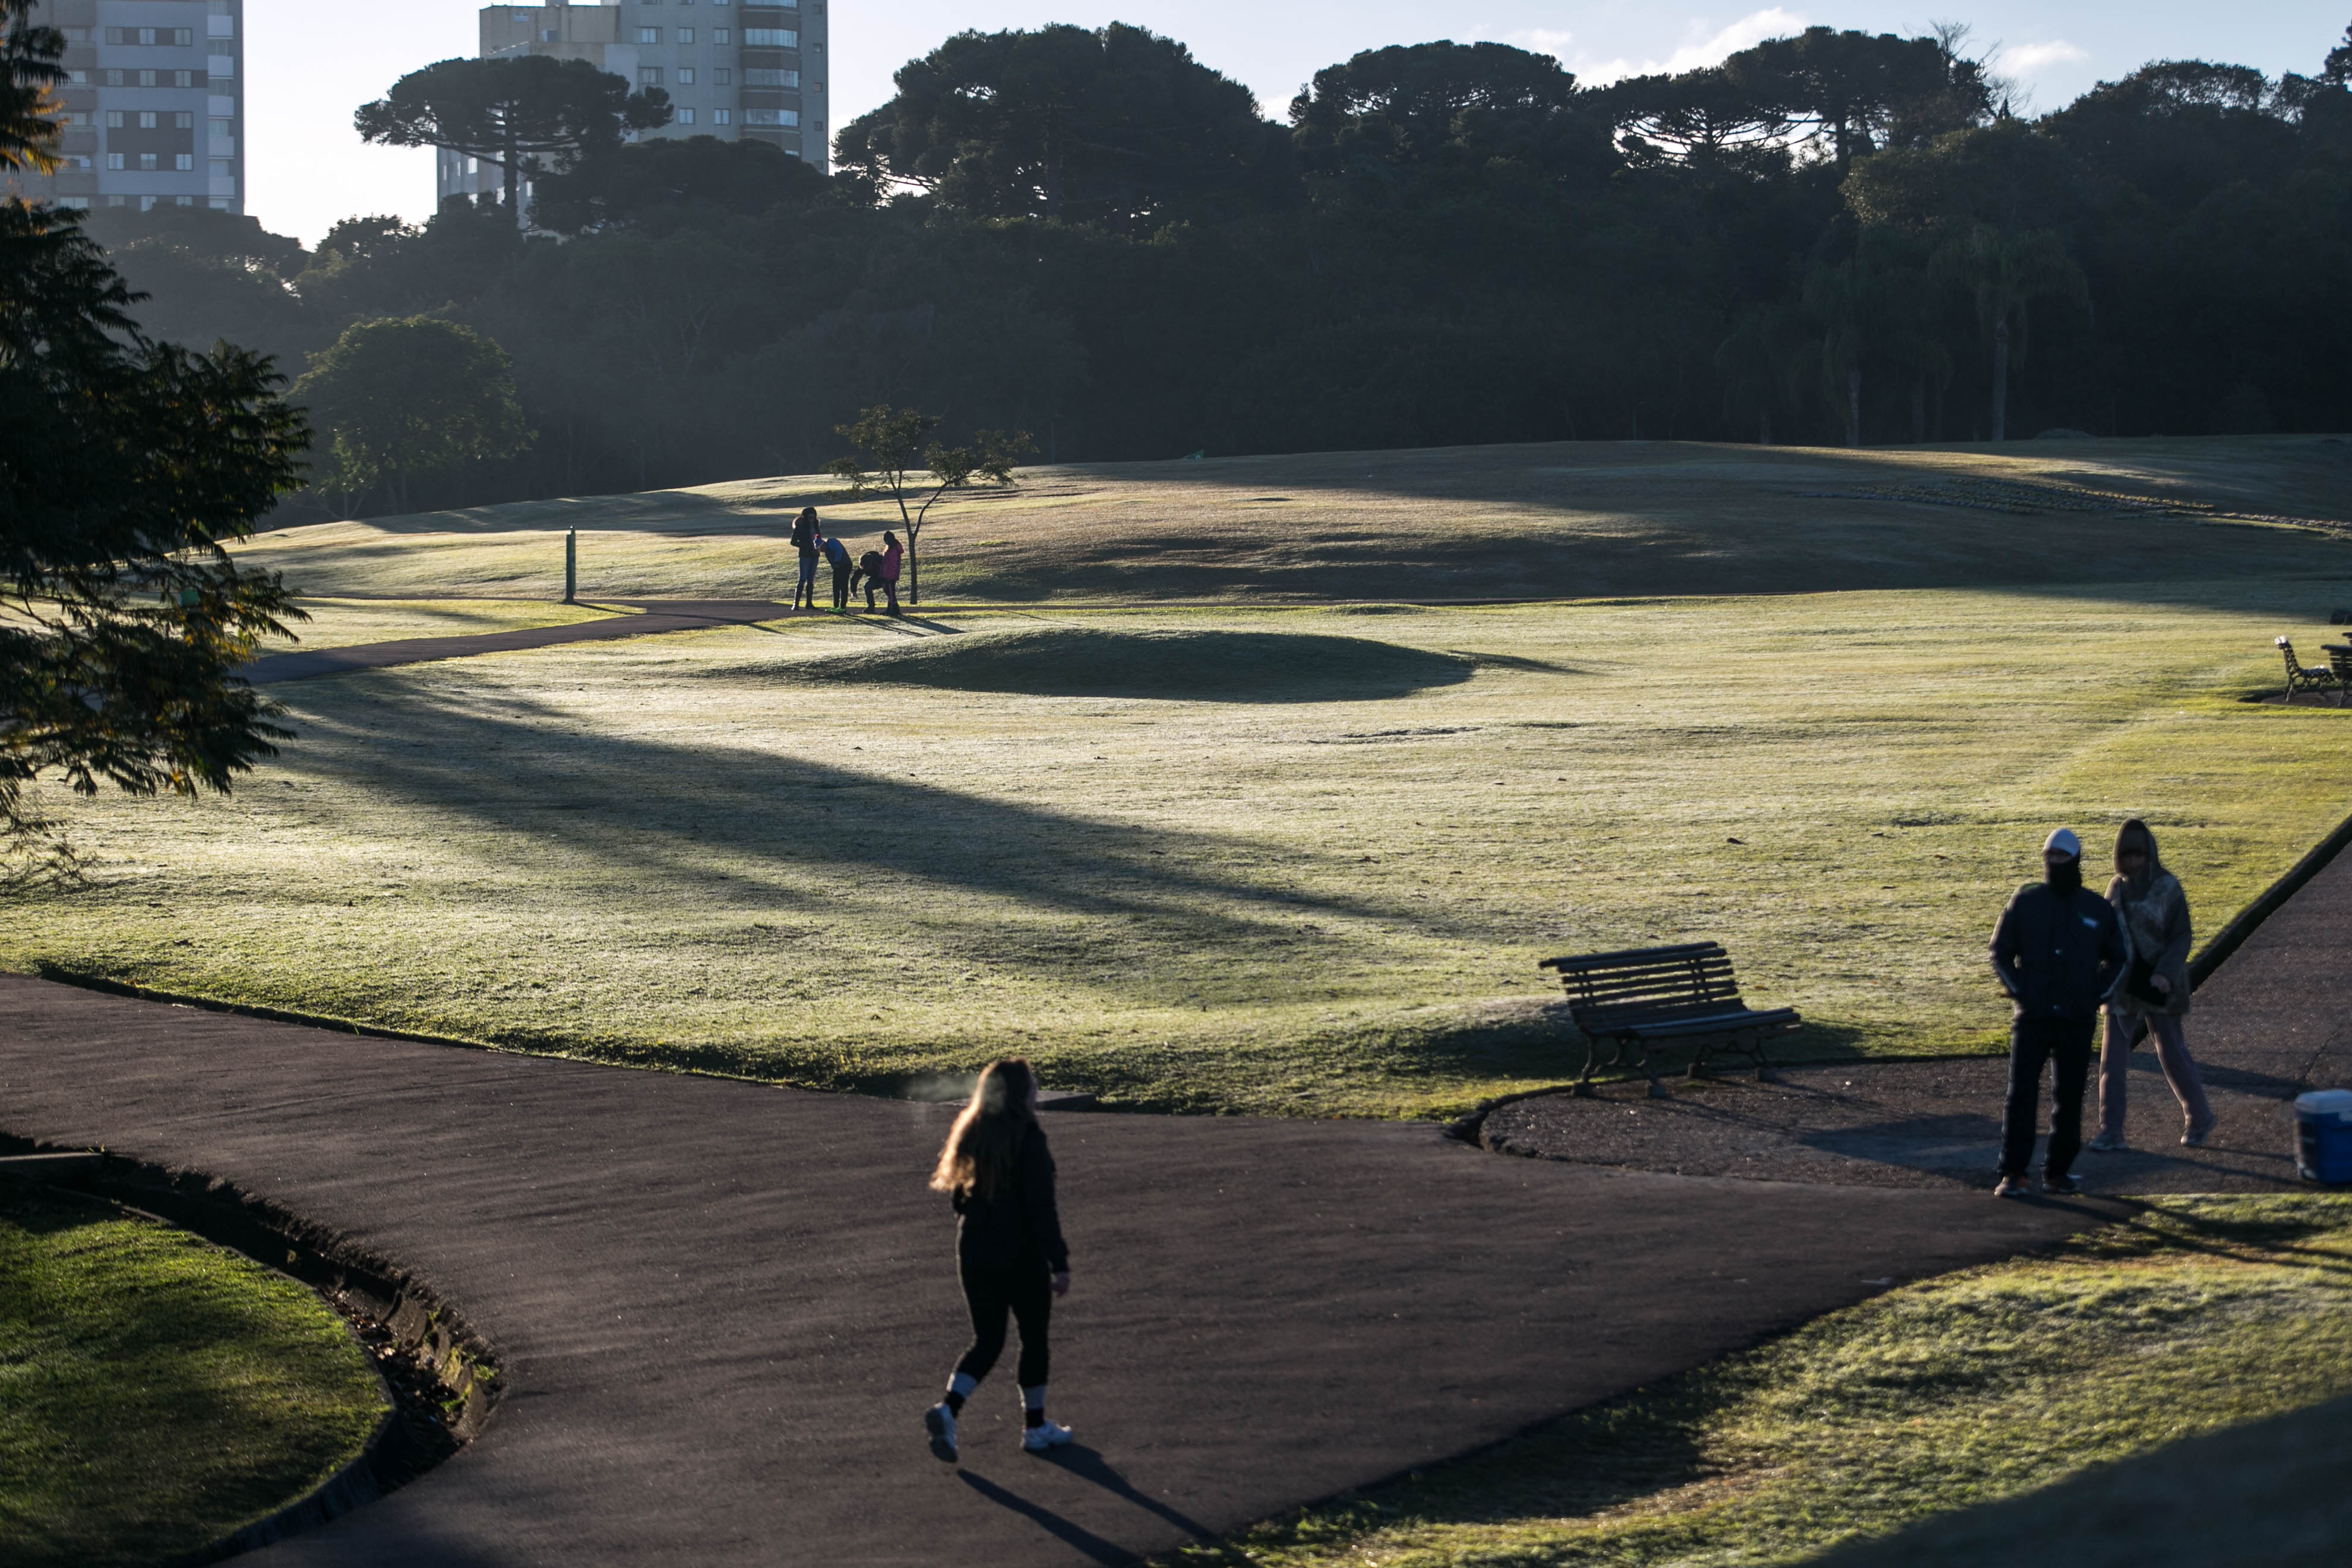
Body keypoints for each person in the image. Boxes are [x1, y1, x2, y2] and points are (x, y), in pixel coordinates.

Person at [923, 1058, 1073, 1463]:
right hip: (1020, 1253)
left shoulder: (972, 1131)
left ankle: (948, 1410)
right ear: (1022, 1094)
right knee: (1033, 1336)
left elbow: (958, 1195)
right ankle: (1036, 1427)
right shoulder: (1028, 1138)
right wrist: (1059, 1263)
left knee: (987, 1340)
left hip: (973, 1248)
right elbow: (1042, 1208)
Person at [1989, 827, 2129, 1197]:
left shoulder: (2096, 909)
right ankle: (2014, 1172)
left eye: (2062, 859)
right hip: (2033, 1015)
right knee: (2020, 1095)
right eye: (2050, 858)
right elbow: (2000, 951)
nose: (2055, 864)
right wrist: (2021, 992)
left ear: (2076, 860)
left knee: (2068, 1098)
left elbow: (2118, 959)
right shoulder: (2027, 900)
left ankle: (2057, 1172)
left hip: (2076, 1016)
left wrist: (2093, 995)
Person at [2091, 819, 2217, 1150]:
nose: (2133, 863)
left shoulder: (2168, 887)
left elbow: (2181, 937)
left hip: (2161, 984)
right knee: (2113, 1060)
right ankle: (2111, 1130)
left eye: (2139, 856)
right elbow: (2106, 936)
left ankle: (2199, 1117)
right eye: (2127, 856)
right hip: (2122, 984)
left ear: (2150, 855)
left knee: (2171, 1051)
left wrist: (2164, 973)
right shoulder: (2115, 887)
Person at [789, 507, 822, 611]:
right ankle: (796, 604)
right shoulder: (800, 526)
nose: (812, 518)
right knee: (802, 579)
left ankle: (809, 603)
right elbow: (793, 541)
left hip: (815, 555)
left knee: (811, 580)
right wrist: (806, 546)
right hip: (805, 555)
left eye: (814, 516)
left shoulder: (816, 525)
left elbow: (818, 538)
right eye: (810, 516)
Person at [820, 528, 853, 613]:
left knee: (843, 586)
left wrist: (837, 562)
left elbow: (839, 551)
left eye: (820, 548)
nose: (820, 551)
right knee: (836, 586)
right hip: (838, 567)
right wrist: (836, 566)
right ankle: (836, 606)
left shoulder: (832, 542)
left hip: (845, 565)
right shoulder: (827, 552)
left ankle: (843, 607)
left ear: (823, 544)